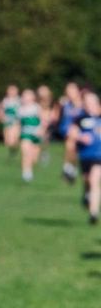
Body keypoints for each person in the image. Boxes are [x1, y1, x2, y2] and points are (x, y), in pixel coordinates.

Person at [68, 91, 101, 224]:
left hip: (99, 155)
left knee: (94, 180)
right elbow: (71, 133)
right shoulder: (80, 118)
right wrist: (81, 137)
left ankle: (94, 213)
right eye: (86, 103)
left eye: (91, 102)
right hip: (85, 155)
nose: (89, 105)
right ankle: (87, 195)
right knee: (87, 181)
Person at [58, 81, 85, 183]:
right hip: (67, 130)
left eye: (72, 90)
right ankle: (67, 167)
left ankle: (70, 168)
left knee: (75, 151)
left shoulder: (84, 104)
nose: (70, 92)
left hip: (82, 131)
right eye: (68, 90)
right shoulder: (65, 104)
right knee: (70, 144)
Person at [17, 88, 43, 182]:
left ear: (33, 97)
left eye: (28, 95)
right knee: (25, 152)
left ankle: (30, 168)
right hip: (25, 134)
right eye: (24, 95)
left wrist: (41, 130)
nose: (26, 97)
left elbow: (42, 120)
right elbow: (19, 123)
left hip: (36, 135)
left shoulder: (36, 107)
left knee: (34, 158)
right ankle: (26, 172)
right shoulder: (20, 109)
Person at [0, 84, 20, 155]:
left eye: (13, 90)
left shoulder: (19, 100)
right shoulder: (5, 101)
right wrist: (0, 117)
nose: (11, 92)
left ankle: (16, 149)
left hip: (16, 122)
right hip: (7, 122)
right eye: (10, 90)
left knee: (15, 139)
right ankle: (12, 151)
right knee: (8, 141)